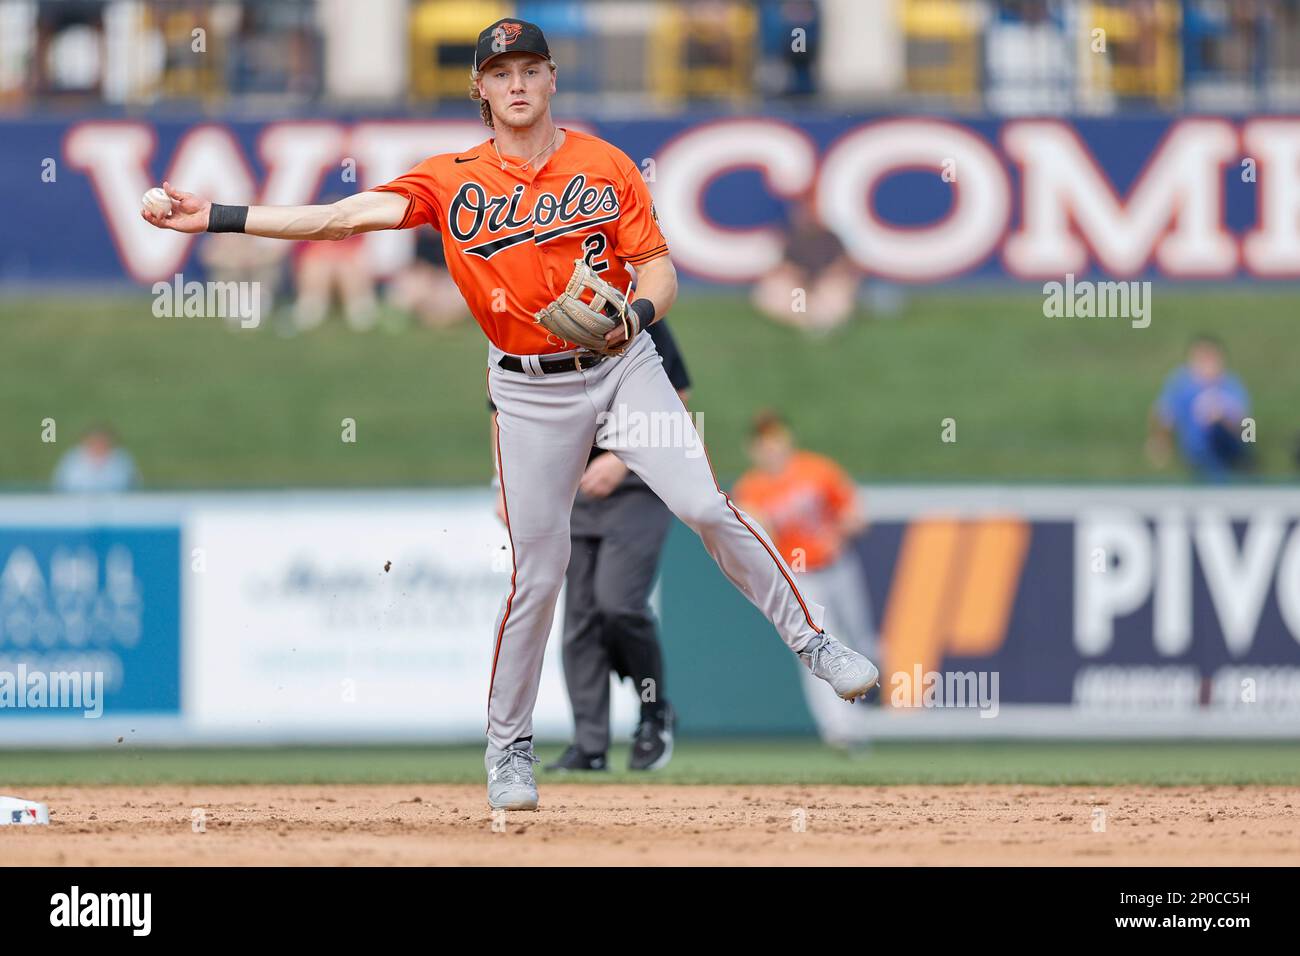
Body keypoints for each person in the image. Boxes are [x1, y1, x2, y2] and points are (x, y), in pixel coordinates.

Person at [140, 17, 879, 812]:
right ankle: (509, 749)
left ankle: (814, 643)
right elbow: (340, 218)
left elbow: (660, 272)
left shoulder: (604, 165)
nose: (517, 83)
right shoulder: (451, 178)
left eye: (530, 68)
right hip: (527, 389)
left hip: (623, 363)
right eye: (501, 72)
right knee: (540, 573)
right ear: (481, 89)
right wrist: (214, 215)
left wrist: (634, 316)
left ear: (552, 78)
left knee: (704, 501)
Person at [491, 319, 690, 773]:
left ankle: (653, 713)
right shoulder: (526, 314)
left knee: (617, 603)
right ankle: (590, 743)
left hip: (637, 486)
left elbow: (675, 396)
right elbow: (502, 408)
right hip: (569, 485)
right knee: (578, 619)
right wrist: (503, 481)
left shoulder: (633, 313)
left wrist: (619, 461)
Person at [733, 411, 876, 747]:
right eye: (763, 441)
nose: (771, 446)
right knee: (822, 646)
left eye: (776, 438)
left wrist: (839, 530)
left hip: (838, 566)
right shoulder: (751, 488)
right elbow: (754, 540)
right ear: (752, 448)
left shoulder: (817, 470)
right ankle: (841, 729)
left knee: (862, 641)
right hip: (801, 580)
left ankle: (864, 718)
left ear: (787, 440)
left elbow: (856, 517)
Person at [1147, 335, 1252, 480]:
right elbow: (1164, 414)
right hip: (1197, 452)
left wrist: (1223, 420)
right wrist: (1161, 442)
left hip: (1228, 449)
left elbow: (1247, 428)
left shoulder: (1231, 385)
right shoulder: (1182, 385)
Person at [52, 425, 139, 493]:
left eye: (102, 441)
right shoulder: (72, 459)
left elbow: (134, 486)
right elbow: (59, 485)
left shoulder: (122, 460)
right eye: (95, 441)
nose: (99, 445)